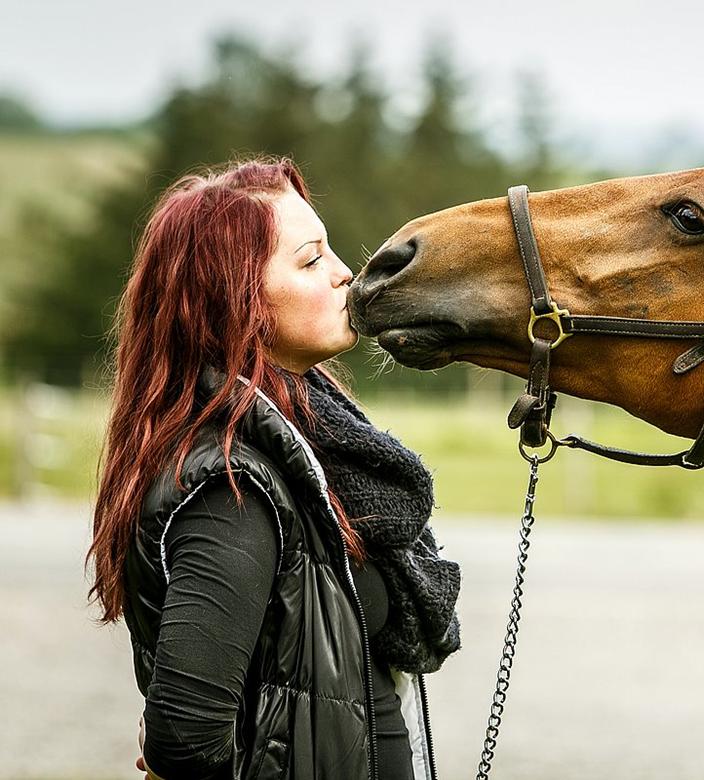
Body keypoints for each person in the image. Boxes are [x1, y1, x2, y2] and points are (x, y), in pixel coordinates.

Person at [86, 157, 461, 780]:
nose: (346, 273)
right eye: (311, 259)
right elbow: (184, 738)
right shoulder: (229, 486)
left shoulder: (310, 448)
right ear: (235, 299)